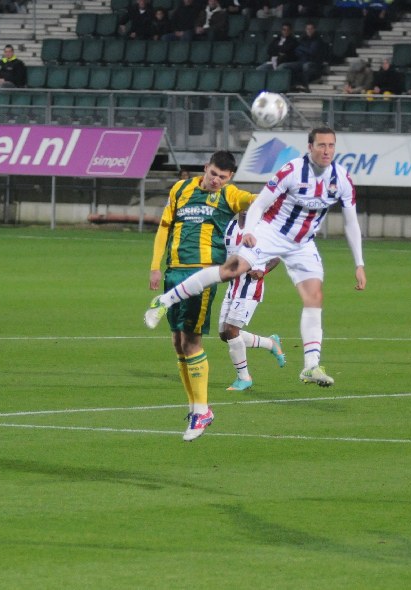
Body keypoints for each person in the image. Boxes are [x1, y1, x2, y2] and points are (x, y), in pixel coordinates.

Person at [145, 126, 367, 388]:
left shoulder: (342, 179)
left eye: (331, 145)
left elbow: (351, 223)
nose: (326, 150)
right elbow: (260, 203)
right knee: (230, 271)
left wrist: (359, 263)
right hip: (271, 232)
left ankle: (310, 366)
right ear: (310, 147)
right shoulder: (292, 171)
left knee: (314, 297)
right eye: (321, 145)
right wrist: (250, 231)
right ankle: (165, 300)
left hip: (303, 243)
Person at [148, 150, 255, 441]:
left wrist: (255, 222)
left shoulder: (230, 195)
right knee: (177, 342)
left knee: (192, 341)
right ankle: (196, 407)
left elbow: (256, 202)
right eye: (213, 174)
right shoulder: (180, 189)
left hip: (203, 275)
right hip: (174, 272)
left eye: (223, 177)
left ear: (230, 177)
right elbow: (164, 227)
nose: (217, 180)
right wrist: (155, 266)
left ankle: (201, 410)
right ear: (205, 168)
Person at [218, 211, 286, 391]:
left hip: (249, 287)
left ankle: (244, 377)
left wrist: (263, 270)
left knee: (232, 331)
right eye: (244, 205)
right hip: (232, 286)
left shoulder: (261, 229)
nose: (248, 209)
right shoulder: (231, 227)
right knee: (224, 334)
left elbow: (277, 254)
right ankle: (270, 343)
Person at [282, 21, 328, 92]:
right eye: (307, 29)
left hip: (314, 62)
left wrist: (302, 49)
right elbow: (297, 51)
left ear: (314, 29)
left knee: (306, 66)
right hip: (302, 61)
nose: (309, 30)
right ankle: (289, 87)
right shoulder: (303, 39)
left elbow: (312, 52)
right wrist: (304, 50)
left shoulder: (318, 40)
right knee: (284, 66)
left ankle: (305, 85)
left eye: (311, 29)